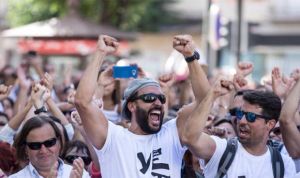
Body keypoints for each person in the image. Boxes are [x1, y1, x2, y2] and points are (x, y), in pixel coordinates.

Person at [75, 34, 210, 177]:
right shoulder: (112, 138)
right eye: (150, 98)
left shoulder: (172, 134)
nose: (158, 102)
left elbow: (205, 100)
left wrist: (190, 56)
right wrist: (100, 53)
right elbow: (82, 102)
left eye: (161, 98)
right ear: (132, 106)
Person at [181, 83, 296, 177]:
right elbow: (189, 138)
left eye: (251, 117)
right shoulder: (221, 150)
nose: (242, 121)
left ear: (270, 124)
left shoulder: (283, 165)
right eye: (240, 114)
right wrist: (212, 95)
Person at [9, 116, 89, 178]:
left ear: (59, 143)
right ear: (26, 149)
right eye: (35, 145)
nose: (43, 150)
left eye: (49, 143)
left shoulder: (80, 174)